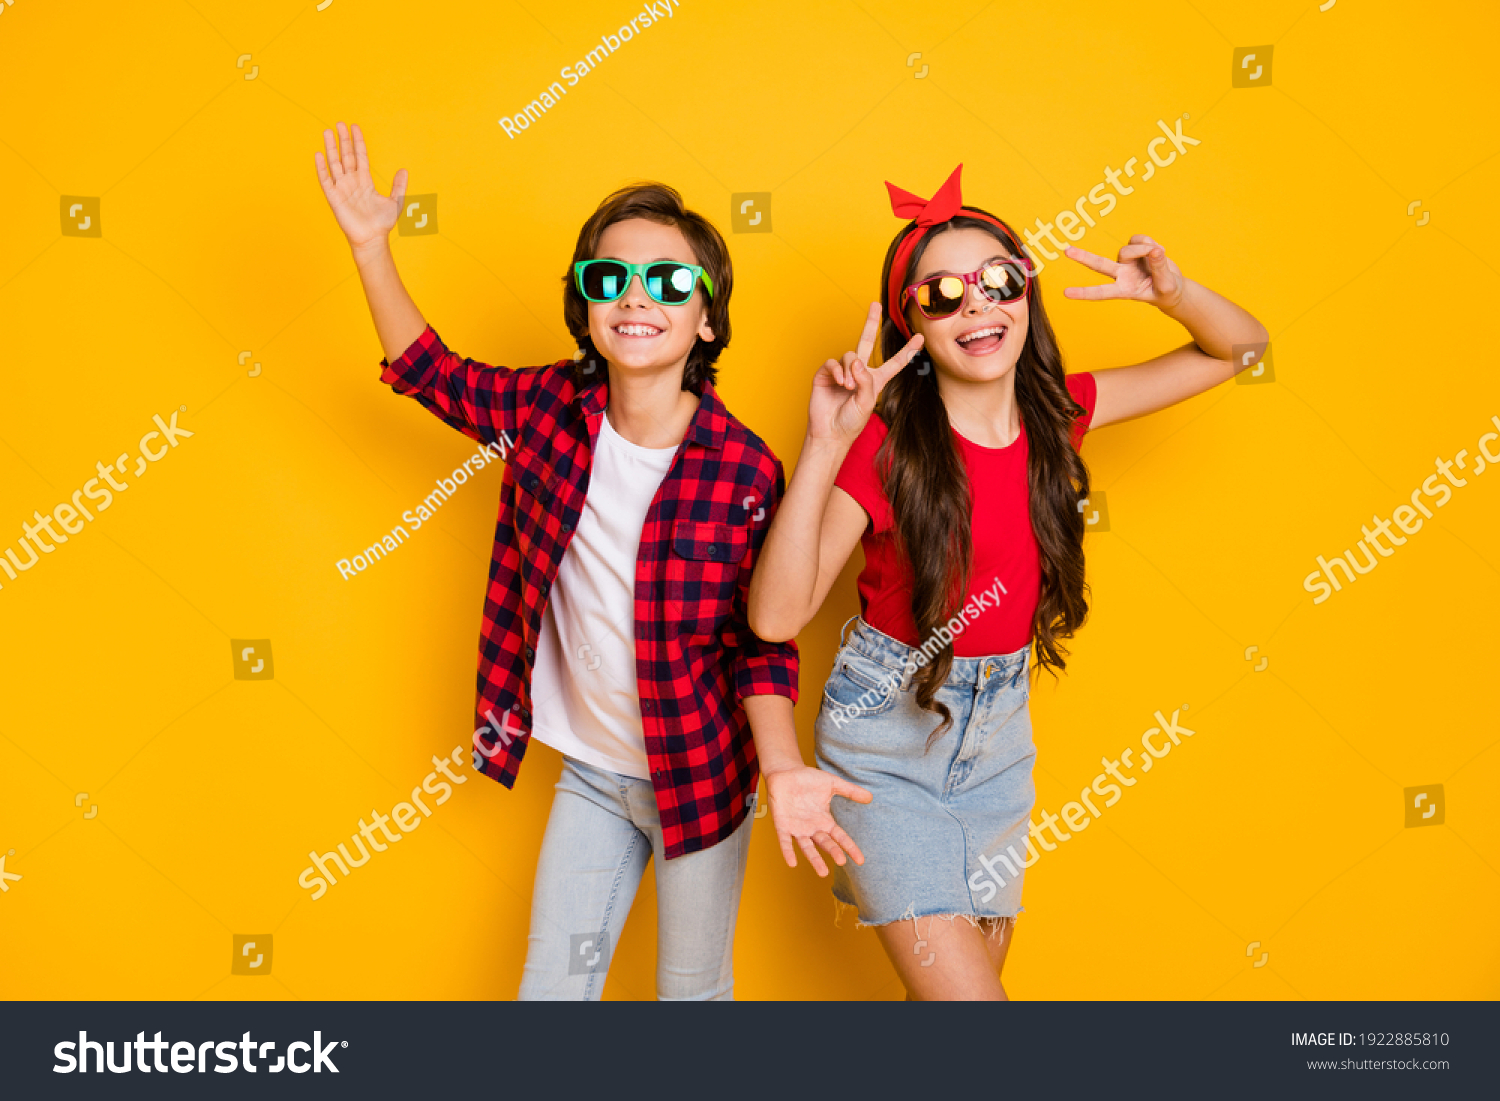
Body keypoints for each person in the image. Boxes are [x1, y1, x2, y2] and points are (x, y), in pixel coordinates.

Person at [315, 121, 855, 1000]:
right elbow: (427, 370)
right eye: (611, 278)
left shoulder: (743, 465)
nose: (636, 297)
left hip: (701, 777)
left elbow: (765, 637)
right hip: (594, 778)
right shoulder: (544, 411)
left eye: (669, 282)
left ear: (706, 316)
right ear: (586, 307)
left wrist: (785, 765)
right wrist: (372, 247)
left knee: (693, 998)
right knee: (550, 995)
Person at [747, 163, 1268, 1000]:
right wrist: (823, 443)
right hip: (884, 746)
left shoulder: (1061, 416)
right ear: (911, 325)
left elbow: (1243, 349)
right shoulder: (884, 447)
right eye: (944, 294)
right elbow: (775, 618)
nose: (979, 304)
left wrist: (1171, 294)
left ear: (1028, 294)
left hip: (998, 748)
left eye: (999, 281)